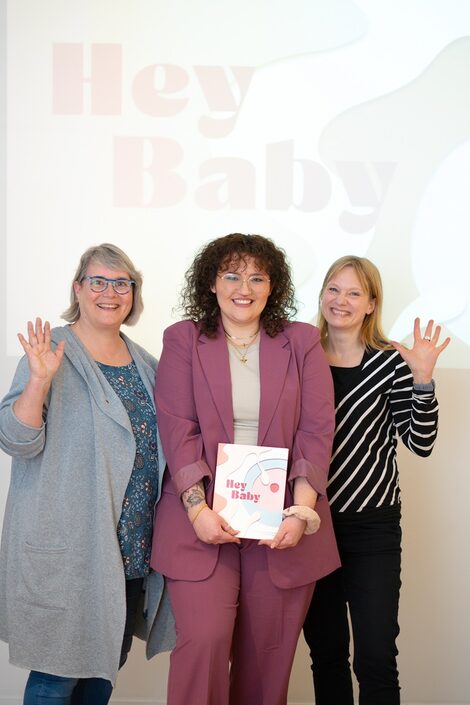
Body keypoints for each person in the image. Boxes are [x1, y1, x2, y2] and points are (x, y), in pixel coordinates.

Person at [151, 233, 340, 705]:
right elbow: (178, 428)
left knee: (268, 658)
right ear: (211, 283)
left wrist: (300, 512)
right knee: (205, 641)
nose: (245, 287)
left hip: (283, 520)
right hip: (200, 519)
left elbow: (316, 430)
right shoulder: (183, 339)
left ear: (272, 287)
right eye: (232, 275)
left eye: (258, 277)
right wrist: (198, 510)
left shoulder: (301, 341)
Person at [0, 244, 174, 705]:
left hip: (130, 554)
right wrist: (38, 380)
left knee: (101, 675)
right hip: (72, 554)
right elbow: (16, 440)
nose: (110, 292)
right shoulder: (50, 353)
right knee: (57, 678)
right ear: (78, 289)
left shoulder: (147, 365)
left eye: (122, 283)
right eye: (98, 281)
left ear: (134, 294)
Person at [302, 255, 451, 705]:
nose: (341, 300)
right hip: (311, 525)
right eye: (333, 289)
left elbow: (419, 442)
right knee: (326, 653)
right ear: (322, 294)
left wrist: (422, 379)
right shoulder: (301, 357)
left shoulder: (391, 363)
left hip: (374, 528)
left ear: (371, 304)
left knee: (375, 657)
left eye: (353, 293)